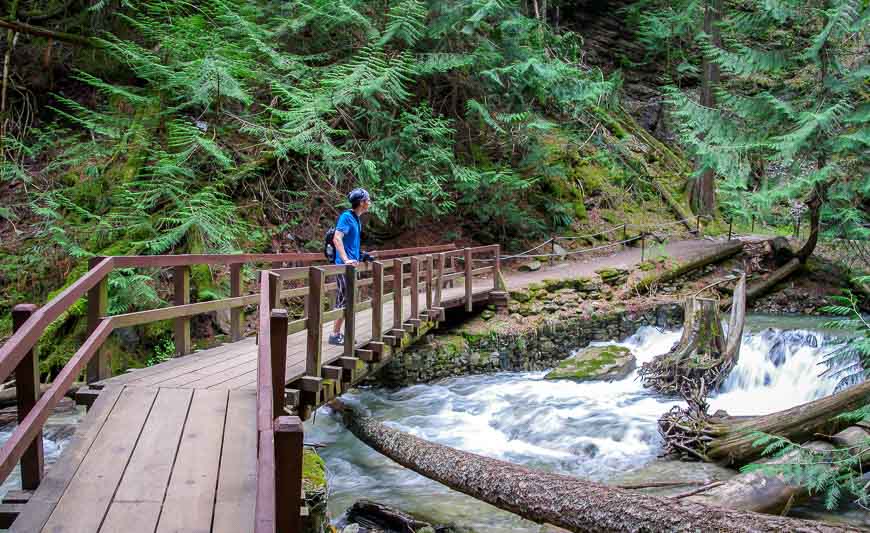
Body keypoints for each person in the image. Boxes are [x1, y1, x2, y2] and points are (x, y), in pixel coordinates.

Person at [329, 188, 372, 346]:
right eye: (368, 199)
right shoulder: (346, 217)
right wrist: (346, 259)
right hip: (343, 267)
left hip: (351, 266)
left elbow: (350, 244)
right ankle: (335, 334)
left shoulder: (356, 219)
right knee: (344, 299)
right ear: (361, 203)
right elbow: (337, 238)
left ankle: (342, 334)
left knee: (349, 299)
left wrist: (361, 256)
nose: (369, 202)